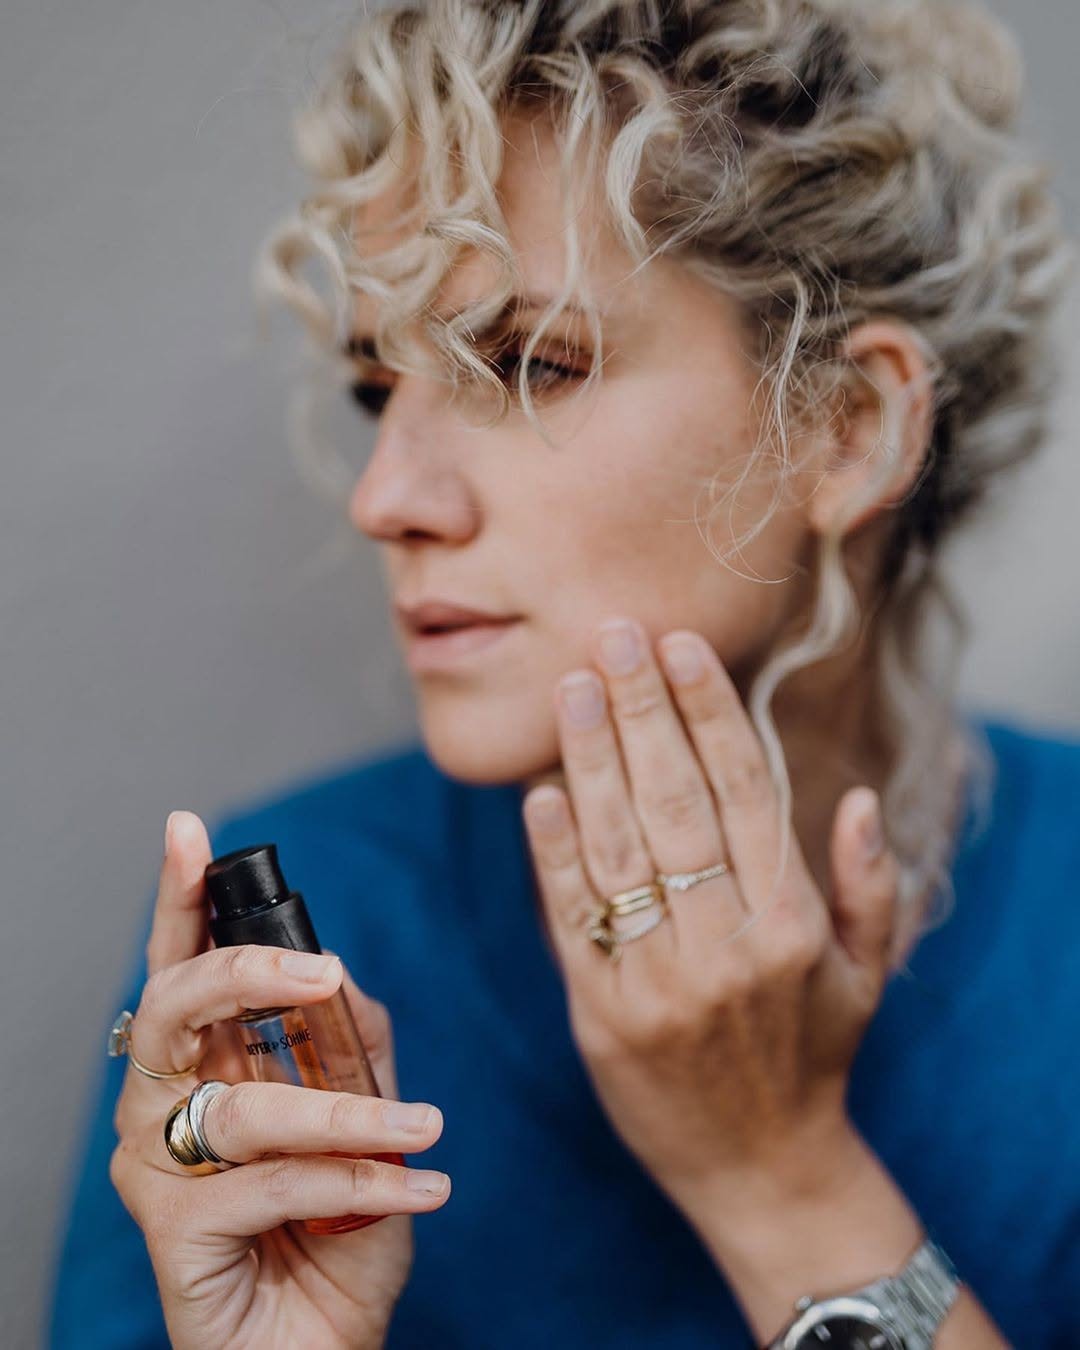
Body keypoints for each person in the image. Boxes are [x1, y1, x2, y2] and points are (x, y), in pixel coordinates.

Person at [48, 1, 1080, 1346]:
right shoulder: (283, 949)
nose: (384, 496)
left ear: (848, 426)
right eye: (379, 388)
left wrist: (775, 1174)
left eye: (532, 363)